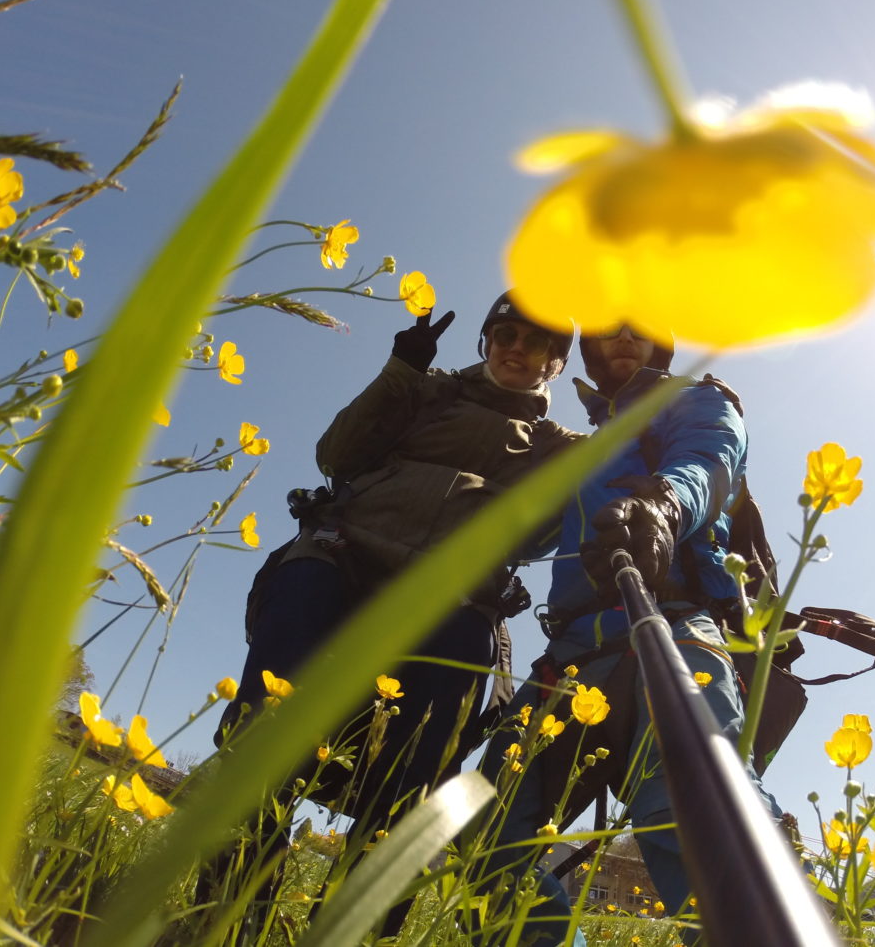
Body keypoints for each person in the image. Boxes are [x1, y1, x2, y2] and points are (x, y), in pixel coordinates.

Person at [203, 292, 579, 932]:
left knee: (423, 769)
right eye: (506, 333)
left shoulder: (555, 444)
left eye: (538, 343)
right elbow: (336, 455)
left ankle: (353, 927)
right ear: (486, 341)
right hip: (343, 556)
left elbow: (546, 533)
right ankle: (232, 912)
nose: (518, 348)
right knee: (266, 711)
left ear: (556, 365)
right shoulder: (426, 391)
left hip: (454, 593)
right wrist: (400, 372)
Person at [472, 321, 772, 947]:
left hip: (674, 622)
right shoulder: (585, 448)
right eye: (610, 330)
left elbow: (710, 461)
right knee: (487, 826)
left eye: (641, 327)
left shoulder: (696, 399)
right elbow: (529, 533)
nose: (625, 337)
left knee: (696, 814)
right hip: (572, 650)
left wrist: (663, 505)